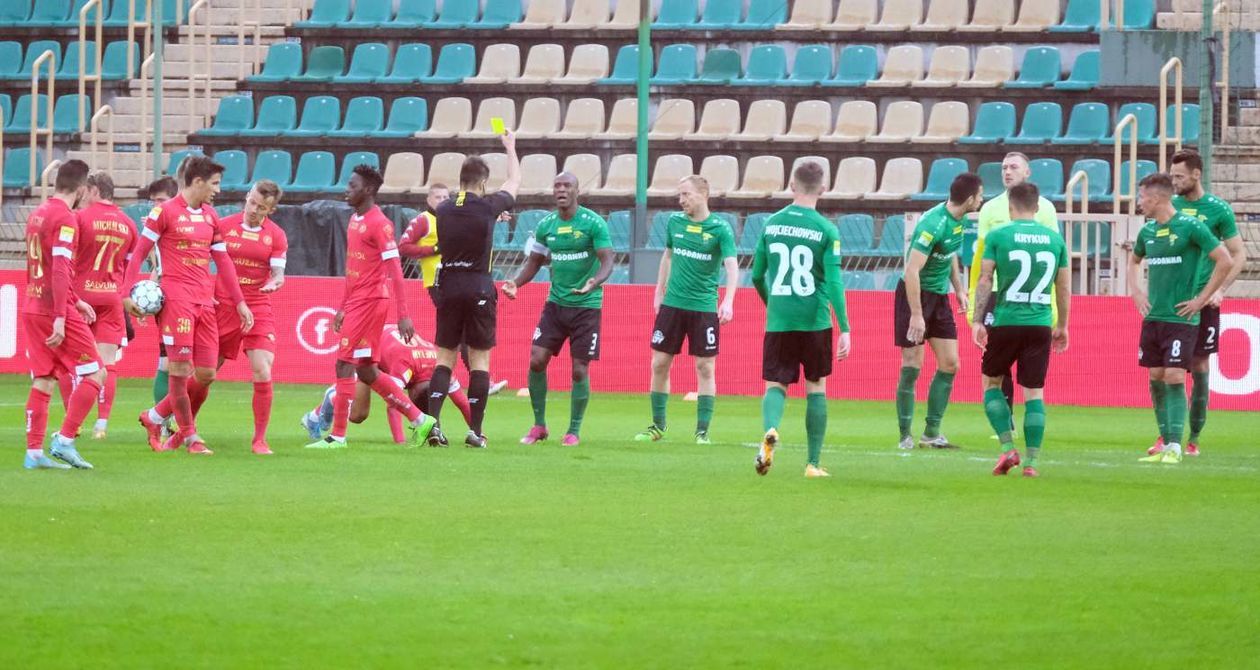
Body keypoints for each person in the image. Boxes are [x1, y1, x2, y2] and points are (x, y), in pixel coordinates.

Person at [304, 165, 439, 449]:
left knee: (343, 363)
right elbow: (353, 270)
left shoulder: (380, 224)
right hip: (357, 302)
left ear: (367, 190)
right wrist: (342, 307)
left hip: (370, 303)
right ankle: (420, 420)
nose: (346, 189)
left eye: (352, 186)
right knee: (366, 371)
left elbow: (396, 271)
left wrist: (403, 314)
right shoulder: (355, 220)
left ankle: (337, 436)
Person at [125, 156, 252, 455]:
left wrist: (240, 303)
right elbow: (138, 253)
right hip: (177, 301)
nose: (218, 190)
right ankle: (191, 436)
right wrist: (125, 293)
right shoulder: (164, 213)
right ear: (197, 182)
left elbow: (224, 263)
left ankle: (154, 416)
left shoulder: (211, 216)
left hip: (205, 302)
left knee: (207, 373)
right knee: (180, 370)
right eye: (215, 184)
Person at [750, 160, 851, 478]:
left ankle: (770, 429)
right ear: (824, 188)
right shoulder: (826, 229)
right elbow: (834, 283)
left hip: (780, 319)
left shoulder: (771, 224)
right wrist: (845, 327)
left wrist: (772, 305)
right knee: (816, 387)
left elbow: (755, 275)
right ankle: (812, 463)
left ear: (791, 185)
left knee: (776, 384)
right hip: (815, 320)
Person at [1146, 149, 1248, 456]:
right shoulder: (1170, 206)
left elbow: (1237, 254)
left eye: (1179, 176)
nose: (1174, 181)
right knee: (1161, 370)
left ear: (1196, 174)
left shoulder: (1218, 209)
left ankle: (1194, 437)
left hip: (1203, 298)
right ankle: (1166, 435)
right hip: (1172, 303)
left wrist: (1221, 291)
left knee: (1199, 362)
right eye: (1172, 175)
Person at [425, 131, 521, 448]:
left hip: (449, 285)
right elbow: (514, 183)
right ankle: (475, 431)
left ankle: (434, 425)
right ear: (482, 182)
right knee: (479, 361)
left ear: (461, 179)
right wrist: (510, 147)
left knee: (444, 358)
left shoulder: (445, 209)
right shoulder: (488, 206)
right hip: (479, 285)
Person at [503, 172, 614, 447]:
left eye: (567, 186)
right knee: (536, 360)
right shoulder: (546, 225)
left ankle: (573, 430)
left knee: (579, 370)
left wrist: (595, 281)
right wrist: (516, 283)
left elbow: (607, 259)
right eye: (557, 186)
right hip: (555, 305)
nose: (561, 190)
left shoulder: (593, 223)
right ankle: (539, 425)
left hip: (586, 306)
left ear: (577, 191)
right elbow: (535, 261)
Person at [1129, 173, 1233, 465]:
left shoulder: (1191, 227)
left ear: (1157, 197)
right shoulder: (1147, 232)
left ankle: (1176, 445)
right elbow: (1134, 260)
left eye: (1142, 197)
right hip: (1154, 317)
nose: (1140, 203)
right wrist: (1136, 291)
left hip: (1182, 318)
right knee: (1156, 376)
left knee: (1175, 375)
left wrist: (1202, 298)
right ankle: (1165, 443)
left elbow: (1224, 258)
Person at [970, 182, 1071, 478]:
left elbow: (985, 279)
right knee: (1034, 393)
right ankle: (1032, 463)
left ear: (1011, 207)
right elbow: (1063, 286)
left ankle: (1007, 447)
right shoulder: (1054, 239)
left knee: (991, 384)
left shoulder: (998, 235)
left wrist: (978, 319)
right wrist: (1062, 325)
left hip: (1005, 320)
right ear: (1037, 208)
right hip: (1039, 323)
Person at [633, 175, 738, 445]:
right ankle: (657, 426)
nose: (681, 201)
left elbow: (731, 266)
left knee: (705, 367)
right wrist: (659, 290)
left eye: (686, 195)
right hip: (673, 305)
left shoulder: (720, 229)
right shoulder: (674, 223)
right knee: (659, 363)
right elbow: (668, 255)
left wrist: (727, 301)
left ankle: (702, 432)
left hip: (703, 307)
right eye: (680, 196)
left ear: (703, 194)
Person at [968, 152, 1060, 436]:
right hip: (997, 291)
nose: (1007, 171)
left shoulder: (1046, 209)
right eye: (1004, 167)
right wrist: (976, 307)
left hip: (1033, 294)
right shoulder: (989, 209)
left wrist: (1053, 305)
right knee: (1000, 362)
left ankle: (1013, 428)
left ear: (1028, 172)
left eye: (1013, 167)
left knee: (1025, 367)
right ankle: (1005, 421)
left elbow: (1054, 260)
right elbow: (980, 261)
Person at [20, 159, 104, 469]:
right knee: (97, 372)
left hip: (32, 304)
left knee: (44, 378)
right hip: (53, 310)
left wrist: (76, 299)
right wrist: (61, 313)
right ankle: (65, 440)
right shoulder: (66, 218)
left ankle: (34, 454)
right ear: (82, 189)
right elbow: (59, 267)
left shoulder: (37, 214)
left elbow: (39, 268)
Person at [894, 173, 983, 450]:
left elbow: (950, 254)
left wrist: (959, 288)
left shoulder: (959, 220)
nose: (981, 200)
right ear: (969, 199)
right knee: (912, 365)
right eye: (980, 196)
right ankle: (905, 435)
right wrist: (917, 314)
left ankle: (931, 433)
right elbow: (912, 270)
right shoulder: (932, 224)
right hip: (914, 296)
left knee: (950, 364)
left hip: (939, 297)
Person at [201, 180, 288, 455]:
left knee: (263, 369)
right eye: (251, 202)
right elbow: (200, 260)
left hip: (257, 305)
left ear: (271, 210)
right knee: (205, 373)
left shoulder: (276, 235)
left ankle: (259, 440)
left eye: (261, 207)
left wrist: (276, 282)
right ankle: (181, 427)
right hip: (223, 306)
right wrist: (205, 290)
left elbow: (277, 273)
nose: (253, 210)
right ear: (246, 196)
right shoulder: (223, 226)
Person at [400, 183, 509, 396]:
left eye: (444, 196)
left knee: (461, 336)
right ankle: (466, 381)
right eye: (438, 197)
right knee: (461, 336)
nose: (442, 200)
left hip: (458, 281)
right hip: (438, 282)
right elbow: (403, 246)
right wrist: (432, 249)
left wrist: (494, 217)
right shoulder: (423, 220)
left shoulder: (450, 216)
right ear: (428, 200)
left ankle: (448, 380)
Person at [303, 326, 474, 444]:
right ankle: (333, 396)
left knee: (358, 415)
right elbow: (394, 404)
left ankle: (316, 415)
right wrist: (400, 441)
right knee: (357, 414)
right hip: (371, 345)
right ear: (412, 393)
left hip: (390, 349)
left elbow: (463, 403)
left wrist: (477, 433)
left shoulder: (442, 369)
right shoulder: (405, 368)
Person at [72, 171, 136, 440]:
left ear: (95, 190)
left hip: (81, 296)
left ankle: (72, 424)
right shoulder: (129, 224)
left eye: (86, 191)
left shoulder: (80, 218)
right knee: (107, 363)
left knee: (74, 363)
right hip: (111, 297)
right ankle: (101, 425)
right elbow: (129, 265)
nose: (84, 196)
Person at [143, 176, 180, 407]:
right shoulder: (156, 231)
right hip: (170, 301)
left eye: (161, 200)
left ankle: (172, 419)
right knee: (168, 362)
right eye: (153, 201)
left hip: (191, 300)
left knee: (188, 366)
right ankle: (164, 421)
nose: (156, 206)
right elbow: (156, 269)